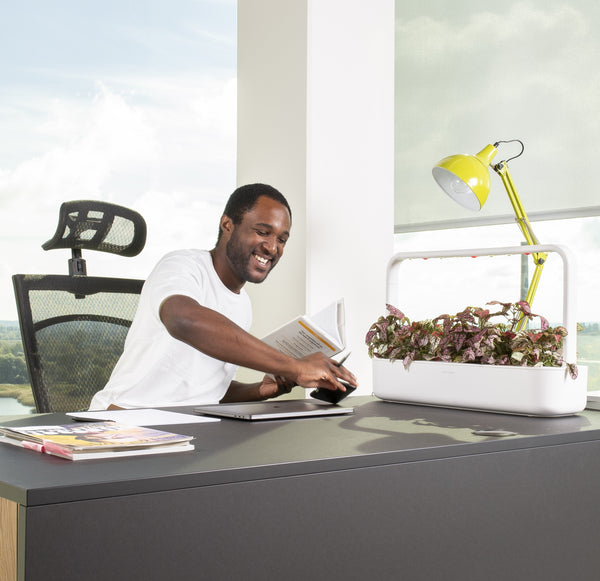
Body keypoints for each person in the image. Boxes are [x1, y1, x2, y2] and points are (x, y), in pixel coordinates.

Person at [89, 183, 357, 410]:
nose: (273, 247)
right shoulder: (183, 266)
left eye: (282, 239)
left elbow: (205, 389)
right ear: (227, 224)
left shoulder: (243, 306)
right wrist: (295, 367)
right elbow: (183, 320)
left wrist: (260, 391)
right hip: (123, 420)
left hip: (185, 429)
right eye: (263, 232)